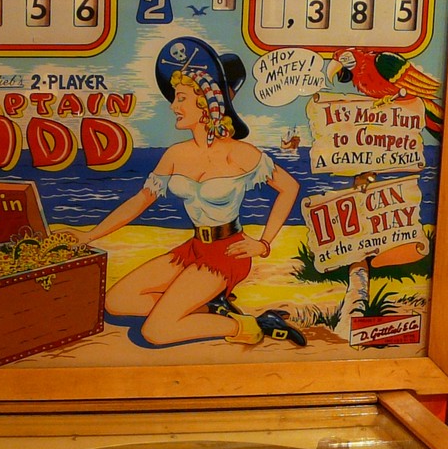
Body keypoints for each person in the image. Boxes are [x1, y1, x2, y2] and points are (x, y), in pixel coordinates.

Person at [87, 36, 295, 349]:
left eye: (181, 98)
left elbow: (289, 187)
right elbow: (141, 200)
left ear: (206, 102)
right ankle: (210, 308)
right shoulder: (175, 154)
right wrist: (89, 235)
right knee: (117, 302)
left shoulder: (240, 153)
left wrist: (263, 244)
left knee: (156, 331)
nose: (173, 106)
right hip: (193, 248)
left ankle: (250, 325)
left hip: (227, 254)